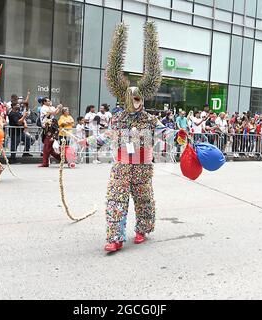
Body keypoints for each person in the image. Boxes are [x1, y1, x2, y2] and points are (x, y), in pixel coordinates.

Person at [103, 21, 162, 252]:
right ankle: (115, 237)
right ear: (126, 99)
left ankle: (142, 229)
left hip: (142, 167)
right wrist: (81, 140)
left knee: (144, 200)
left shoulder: (149, 119)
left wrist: (179, 134)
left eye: (139, 99)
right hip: (122, 167)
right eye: (133, 99)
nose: (137, 103)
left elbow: (165, 131)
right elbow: (106, 136)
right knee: (115, 201)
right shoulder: (117, 119)